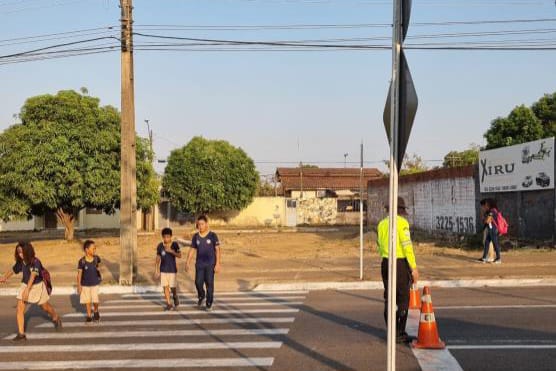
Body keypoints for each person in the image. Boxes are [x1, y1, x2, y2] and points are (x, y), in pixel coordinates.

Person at [377, 197, 419, 344]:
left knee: (389, 297)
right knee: (403, 299)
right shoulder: (402, 223)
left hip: (385, 263)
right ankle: (399, 333)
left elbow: (379, 245)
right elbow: (407, 246)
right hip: (400, 264)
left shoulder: (381, 224)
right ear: (400, 210)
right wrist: (413, 268)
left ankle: (391, 331)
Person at [0, 241, 62, 341]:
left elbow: (33, 276)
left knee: (45, 306)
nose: (20, 254)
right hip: (25, 284)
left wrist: (27, 290)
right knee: (20, 308)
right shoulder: (21, 262)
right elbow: (13, 270)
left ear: (27, 251)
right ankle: (21, 334)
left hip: (37, 286)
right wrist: (4, 277)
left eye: (21, 252)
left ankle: (56, 317)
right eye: (18, 252)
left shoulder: (36, 262)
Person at [185, 215, 222, 312]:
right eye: (198, 224)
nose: (200, 226)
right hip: (200, 264)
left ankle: (209, 303)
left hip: (210, 264)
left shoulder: (213, 235)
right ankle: (201, 295)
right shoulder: (195, 237)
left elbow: (217, 250)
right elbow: (192, 249)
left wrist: (217, 264)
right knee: (198, 282)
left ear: (206, 224)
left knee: (209, 283)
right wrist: (187, 262)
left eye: (202, 224)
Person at [154, 227, 182, 311]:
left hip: (172, 270)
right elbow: (158, 257)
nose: (166, 239)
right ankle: (169, 304)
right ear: (162, 237)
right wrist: (156, 270)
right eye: (165, 237)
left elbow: (180, 255)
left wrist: (171, 251)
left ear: (171, 236)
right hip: (163, 270)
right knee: (165, 287)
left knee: (173, 287)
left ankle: (175, 296)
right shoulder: (160, 246)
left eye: (168, 237)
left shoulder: (175, 245)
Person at [77, 240, 102, 324]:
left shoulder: (96, 258)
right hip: (85, 284)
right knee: (87, 301)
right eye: (93, 248)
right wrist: (79, 286)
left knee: (95, 300)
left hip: (95, 283)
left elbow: (98, 267)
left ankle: (95, 310)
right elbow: (79, 274)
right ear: (87, 250)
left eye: (95, 248)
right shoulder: (82, 261)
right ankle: (89, 316)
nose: (94, 250)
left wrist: (99, 273)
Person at [478, 198, 502, 264]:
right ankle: (484, 257)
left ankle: (498, 258)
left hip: (493, 230)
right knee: (487, 242)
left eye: (486, 204)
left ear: (489, 204)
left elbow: (487, 221)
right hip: (491, 229)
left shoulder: (492, 211)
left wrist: (485, 219)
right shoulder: (490, 211)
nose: (485, 206)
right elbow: (486, 220)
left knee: (495, 243)